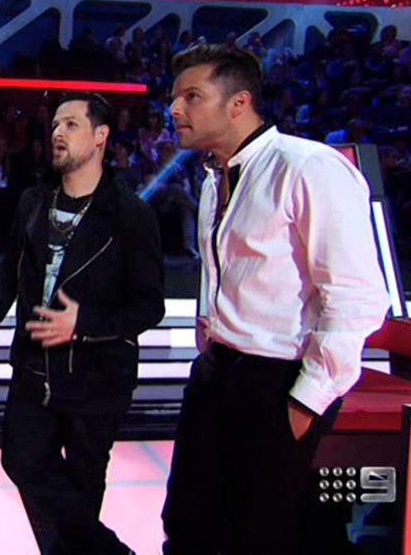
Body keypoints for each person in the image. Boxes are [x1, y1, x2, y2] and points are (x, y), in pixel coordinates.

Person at [160, 44, 390, 555]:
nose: (174, 109)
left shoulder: (309, 167)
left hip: (278, 379)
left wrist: (305, 400)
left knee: (261, 533)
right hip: (218, 373)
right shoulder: (213, 179)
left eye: (191, 97)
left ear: (238, 103)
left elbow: (355, 297)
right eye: (175, 97)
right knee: (188, 524)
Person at [0, 92, 165, 555]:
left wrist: (83, 323)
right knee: (21, 460)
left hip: (97, 376)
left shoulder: (131, 215)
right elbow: (10, 272)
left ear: (100, 136)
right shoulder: (33, 202)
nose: (57, 133)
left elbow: (150, 307)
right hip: (34, 367)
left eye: (70, 124)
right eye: (54, 125)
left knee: (84, 485)